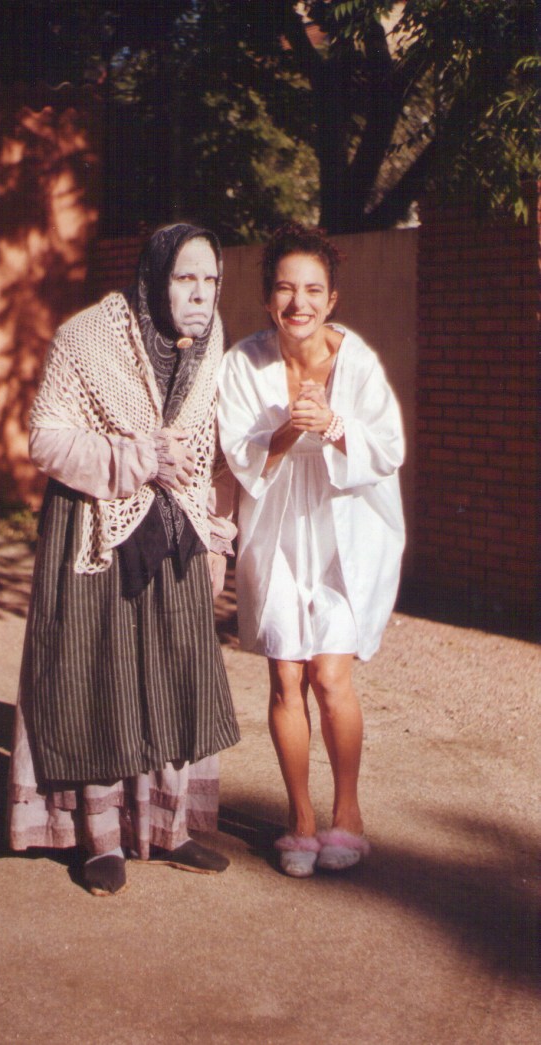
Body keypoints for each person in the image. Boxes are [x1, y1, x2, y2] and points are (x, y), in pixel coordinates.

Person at [8, 223, 240, 896]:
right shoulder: (87, 338)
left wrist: (213, 532)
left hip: (173, 536)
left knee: (174, 672)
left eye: (210, 280)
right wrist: (135, 456)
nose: (199, 295)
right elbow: (45, 439)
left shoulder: (213, 343)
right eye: (184, 279)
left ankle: (168, 830)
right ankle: (99, 838)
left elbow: (210, 451)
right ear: (155, 277)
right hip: (97, 529)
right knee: (98, 675)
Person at [217, 223, 404, 877]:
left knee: (331, 676)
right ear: (269, 296)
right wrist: (284, 432)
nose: (299, 302)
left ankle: (347, 813)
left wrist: (336, 426)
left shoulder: (360, 362)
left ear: (332, 297)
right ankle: (299, 819)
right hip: (277, 532)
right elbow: (239, 455)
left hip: (346, 532)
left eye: (313, 290)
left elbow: (389, 450)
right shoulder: (242, 363)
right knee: (286, 676)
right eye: (285, 289)